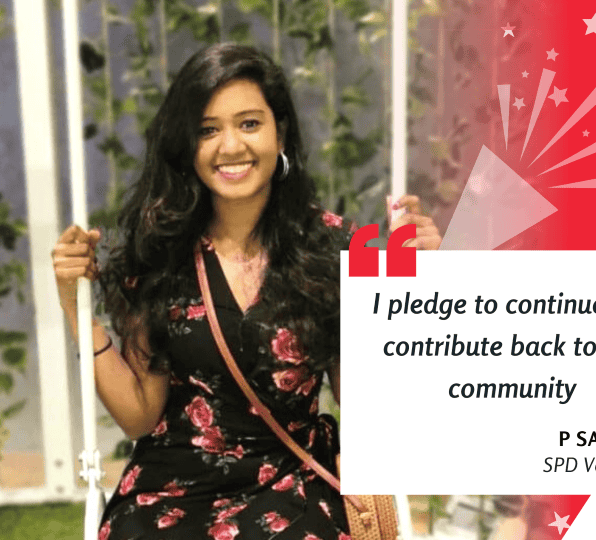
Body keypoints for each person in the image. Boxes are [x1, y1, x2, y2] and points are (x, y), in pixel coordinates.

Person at [52, 44, 441, 540]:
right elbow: (137, 415)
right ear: (185, 145)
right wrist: (73, 306)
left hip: (291, 480)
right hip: (173, 487)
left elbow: (366, 408)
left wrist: (416, 295)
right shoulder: (159, 252)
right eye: (207, 129)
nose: (230, 146)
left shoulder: (332, 247)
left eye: (249, 123)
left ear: (279, 131)